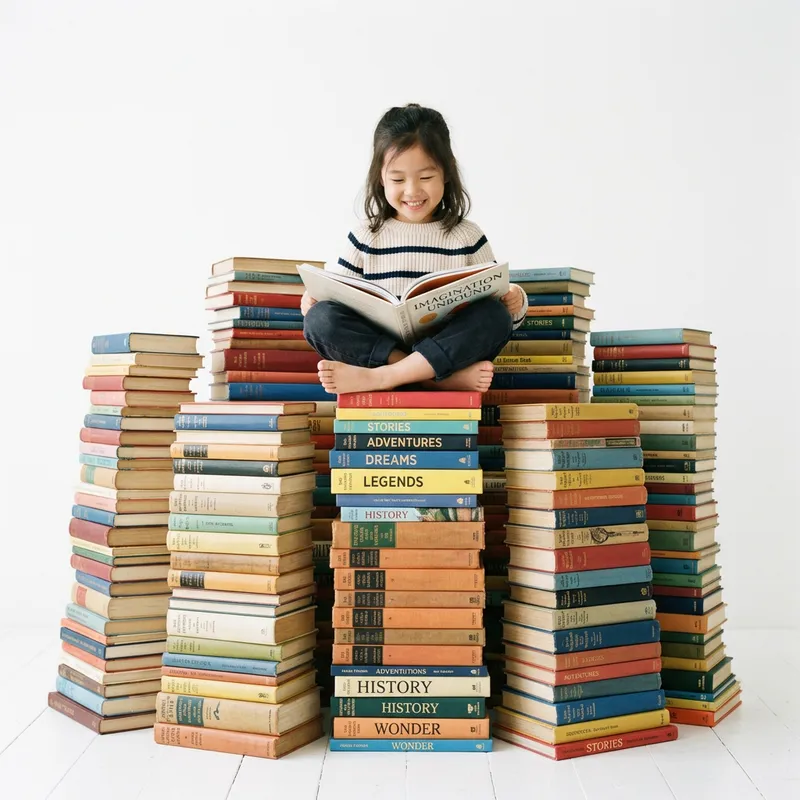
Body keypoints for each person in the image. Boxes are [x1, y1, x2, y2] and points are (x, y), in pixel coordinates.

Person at [302, 103, 528, 394]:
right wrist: (311, 300)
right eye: (397, 179)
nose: (412, 191)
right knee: (320, 319)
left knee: (494, 317)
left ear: (446, 173)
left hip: (446, 344)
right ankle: (434, 378)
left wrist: (515, 300)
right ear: (380, 178)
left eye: (425, 178)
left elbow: (500, 307)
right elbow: (334, 297)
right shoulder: (365, 236)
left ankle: (383, 378)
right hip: (382, 347)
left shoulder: (467, 236)